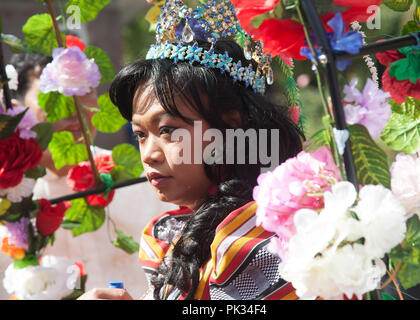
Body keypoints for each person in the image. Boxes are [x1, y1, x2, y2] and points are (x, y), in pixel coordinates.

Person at [78, 0, 304, 300]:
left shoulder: (259, 238)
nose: (149, 154)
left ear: (231, 127)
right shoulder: (168, 236)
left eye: (168, 130)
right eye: (140, 135)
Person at [0, 51, 175, 299]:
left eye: (82, 92)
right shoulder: (9, 202)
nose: (75, 110)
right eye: (53, 98)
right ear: (18, 111)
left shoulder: (146, 177)